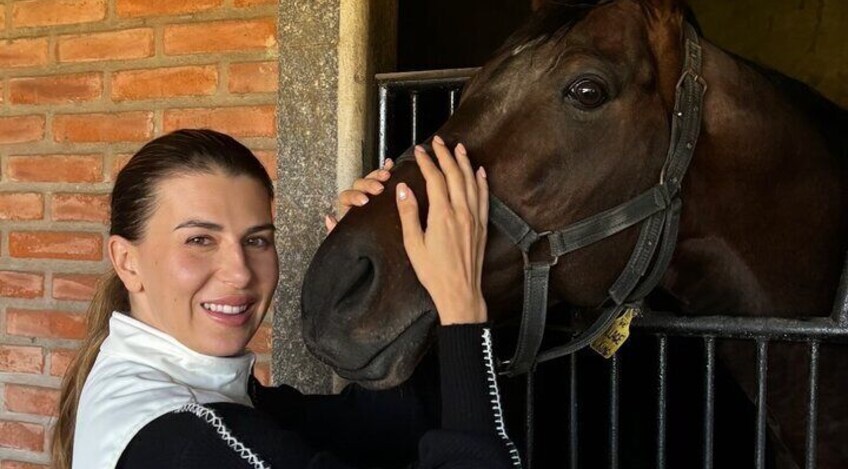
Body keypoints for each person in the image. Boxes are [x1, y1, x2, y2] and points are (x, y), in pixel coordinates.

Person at [53, 128, 520, 469]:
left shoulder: (206, 396)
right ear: (126, 261)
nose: (239, 272)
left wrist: (393, 282)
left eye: (256, 240)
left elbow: (379, 431)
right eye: (199, 240)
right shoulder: (186, 437)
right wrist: (462, 311)